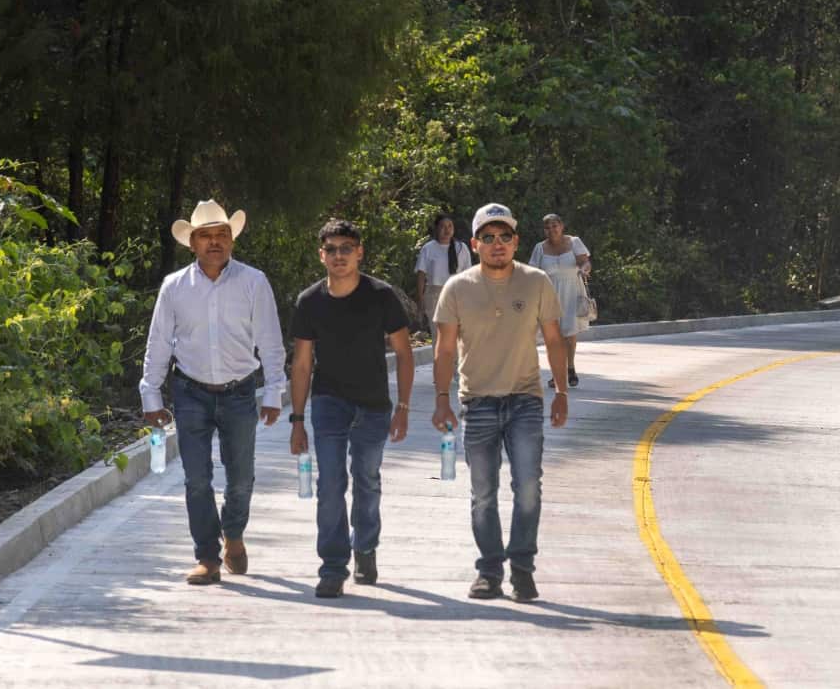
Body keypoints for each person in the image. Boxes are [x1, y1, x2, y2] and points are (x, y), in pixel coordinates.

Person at [140, 199, 286, 585]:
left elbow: (271, 341)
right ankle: (207, 556)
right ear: (192, 243)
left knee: (241, 478)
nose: (215, 242)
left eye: (222, 234)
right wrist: (151, 396)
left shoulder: (254, 282)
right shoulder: (174, 287)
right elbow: (159, 344)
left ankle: (233, 535)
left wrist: (274, 391)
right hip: (190, 391)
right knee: (196, 479)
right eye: (206, 236)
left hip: (240, 391)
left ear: (232, 240)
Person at [431, 203, 570, 603]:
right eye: (488, 237)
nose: (497, 244)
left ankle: (522, 570)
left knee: (528, 487)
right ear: (475, 244)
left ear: (516, 241)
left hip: (525, 400)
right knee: (483, 493)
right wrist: (441, 400)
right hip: (477, 403)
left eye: (504, 236)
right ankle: (489, 572)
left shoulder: (536, 282)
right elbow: (444, 350)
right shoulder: (457, 288)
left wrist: (561, 391)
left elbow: (554, 339)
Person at [288, 220, 415, 599]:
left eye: (346, 248)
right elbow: (302, 364)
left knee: (366, 480)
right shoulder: (309, 301)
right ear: (321, 255)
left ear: (359, 252)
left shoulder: (381, 296)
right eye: (331, 249)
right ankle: (332, 567)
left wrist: (403, 406)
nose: (339, 255)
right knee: (330, 484)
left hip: (373, 405)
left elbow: (404, 353)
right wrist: (297, 420)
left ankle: (366, 547)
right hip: (329, 403)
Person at [527, 213, 592, 388]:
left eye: (554, 226)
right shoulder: (540, 248)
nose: (551, 230)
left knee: (570, 334)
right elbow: (532, 273)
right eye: (547, 227)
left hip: (572, 292)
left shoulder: (574, 242)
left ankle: (570, 368)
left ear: (561, 226)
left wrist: (584, 269)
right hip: (549, 294)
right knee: (553, 337)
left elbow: (585, 262)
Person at [414, 213, 472, 333]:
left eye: (450, 226)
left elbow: (468, 275)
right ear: (436, 228)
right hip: (434, 294)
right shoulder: (428, 248)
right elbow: (421, 275)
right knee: (437, 333)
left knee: (456, 333)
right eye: (443, 226)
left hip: (456, 294)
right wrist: (420, 298)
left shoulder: (462, 248)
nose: (447, 230)